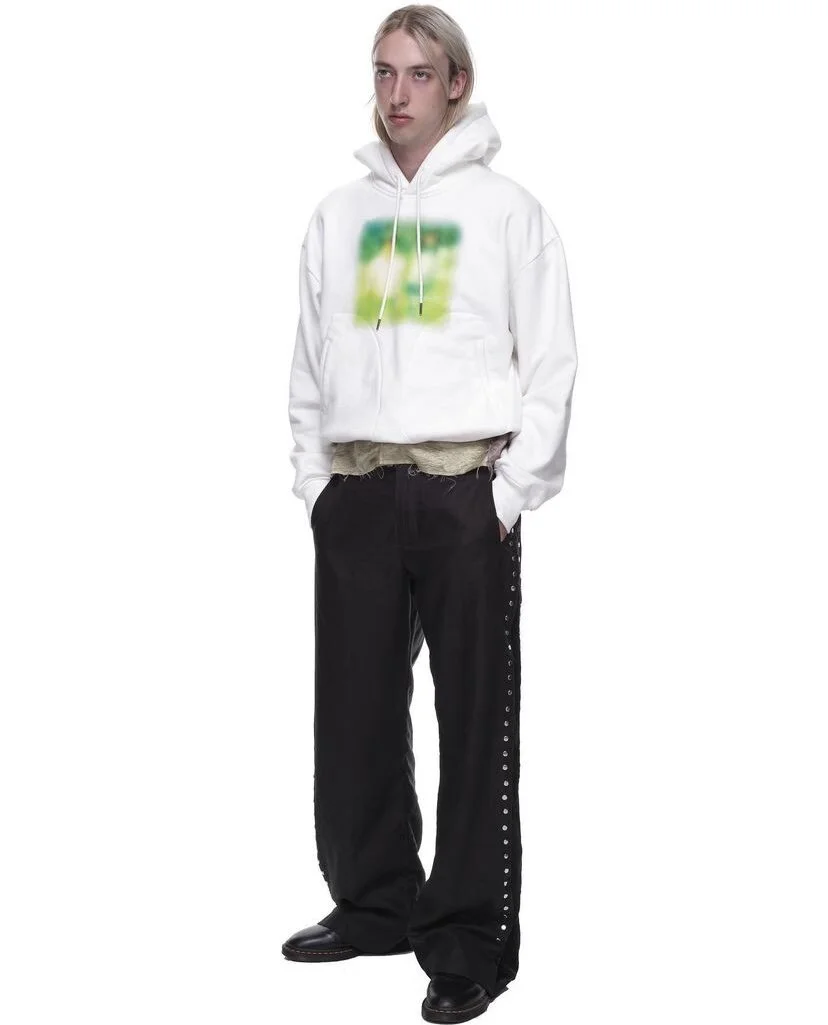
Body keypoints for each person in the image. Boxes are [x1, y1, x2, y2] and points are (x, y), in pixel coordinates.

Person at [283, 6, 577, 1022]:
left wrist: (509, 494)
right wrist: (317, 487)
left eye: (417, 72)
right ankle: (375, 901)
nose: (396, 92)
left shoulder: (507, 213)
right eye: (383, 72)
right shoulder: (340, 216)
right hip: (359, 491)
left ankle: (468, 941)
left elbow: (551, 364)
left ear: (457, 83)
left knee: (474, 718)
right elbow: (309, 363)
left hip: (463, 494)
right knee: (354, 711)